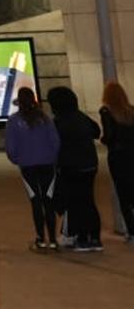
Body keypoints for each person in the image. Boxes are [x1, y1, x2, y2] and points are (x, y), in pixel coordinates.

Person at [4, 88, 60, 250]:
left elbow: (11, 145)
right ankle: (53, 239)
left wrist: (17, 159)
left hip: (27, 165)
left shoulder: (14, 121)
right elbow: (55, 141)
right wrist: (52, 157)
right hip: (47, 164)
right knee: (48, 200)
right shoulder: (45, 119)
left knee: (35, 200)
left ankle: (40, 238)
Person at [47, 86, 102, 251]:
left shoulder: (58, 122)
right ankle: (95, 238)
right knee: (88, 200)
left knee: (76, 202)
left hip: (71, 167)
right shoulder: (81, 117)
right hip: (90, 165)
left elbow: (54, 146)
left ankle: (82, 238)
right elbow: (96, 131)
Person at [99, 81, 134, 240]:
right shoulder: (131, 110)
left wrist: (103, 140)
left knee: (123, 194)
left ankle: (131, 230)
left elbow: (109, 136)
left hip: (118, 156)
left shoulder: (106, 112)